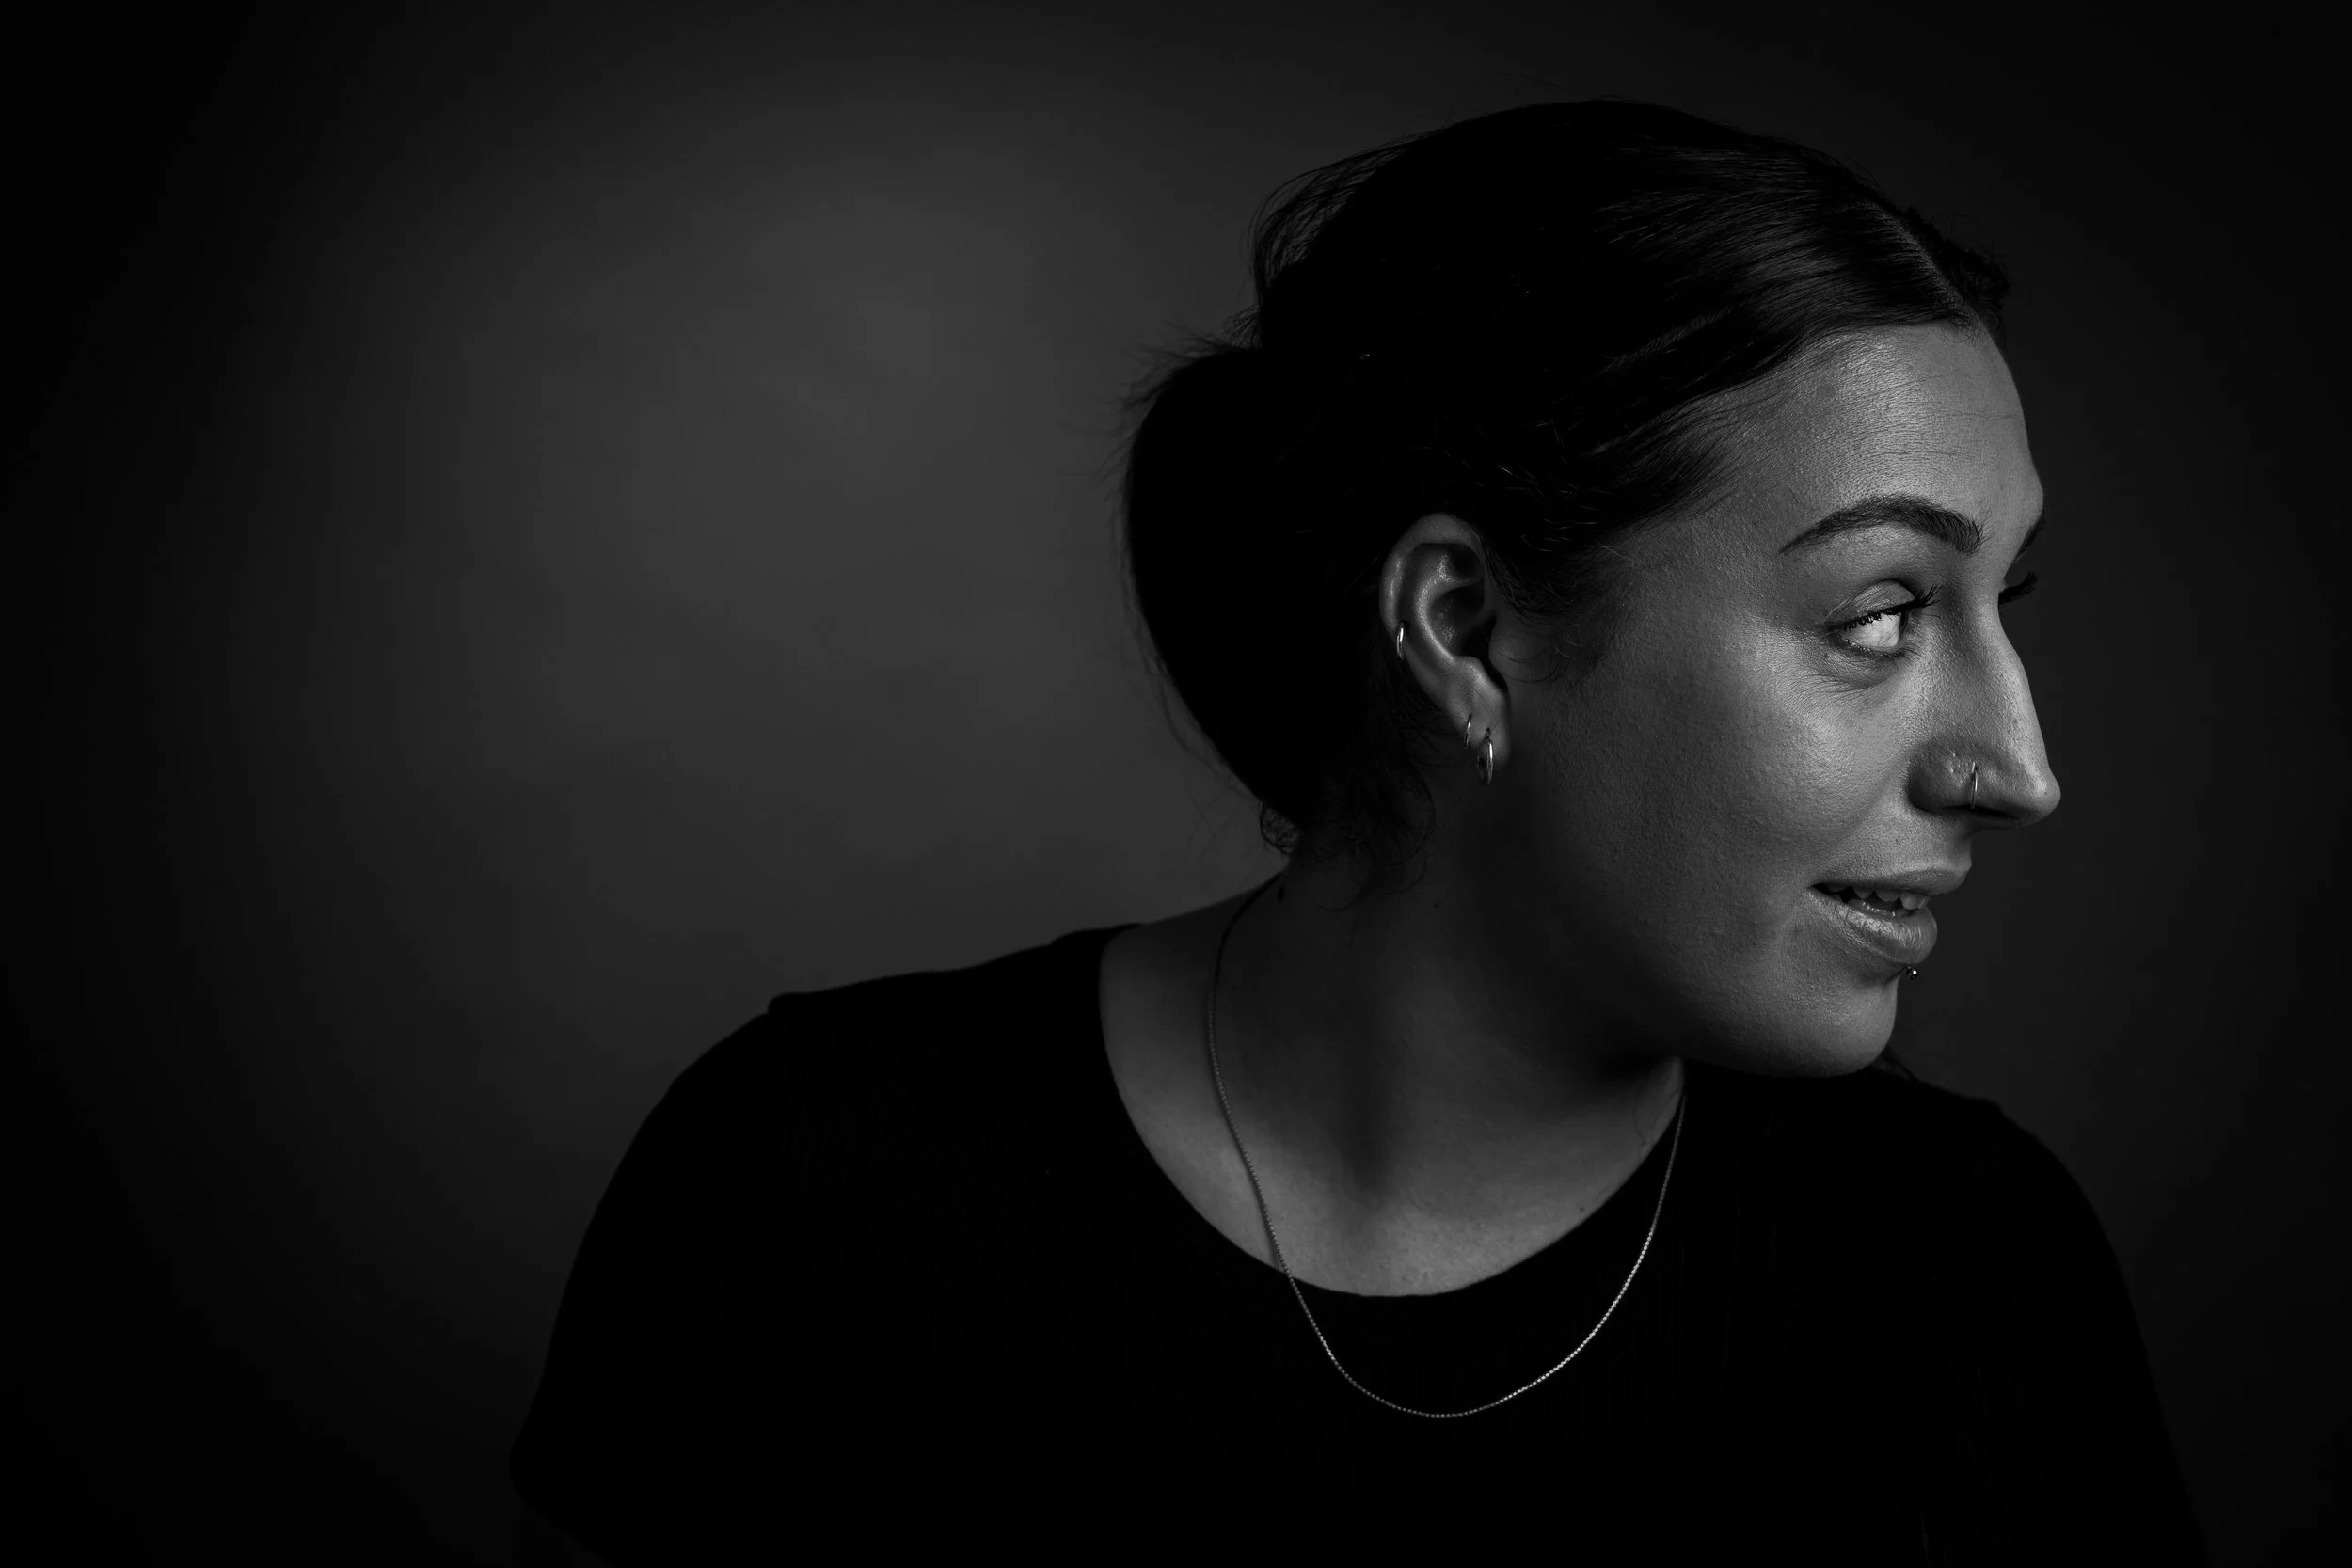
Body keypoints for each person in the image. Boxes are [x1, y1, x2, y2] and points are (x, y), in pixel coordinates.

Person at [510, 100, 2203, 1561]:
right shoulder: (812, 1187)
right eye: (1885, 611)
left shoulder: (1967, 1279)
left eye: (2006, 601)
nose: (2018, 762)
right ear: (1465, 626)